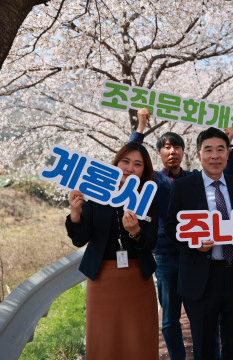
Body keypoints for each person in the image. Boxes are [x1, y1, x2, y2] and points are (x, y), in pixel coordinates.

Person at [129, 109, 233, 359]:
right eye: (166, 147)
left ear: (185, 152)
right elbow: (128, 159)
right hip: (167, 258)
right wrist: (141, 126)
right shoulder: (152, 180)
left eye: (176, 146)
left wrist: (228, 144)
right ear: (158, 154)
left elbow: (223, 177)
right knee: (169, 319)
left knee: (209, 315)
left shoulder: (194, 180)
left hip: (199, 256)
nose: (172, 151)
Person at [165, 127, 233, 360]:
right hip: (200, 275)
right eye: (209, 150)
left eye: (220, 150)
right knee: (204, 342)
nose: (215, 156)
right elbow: (170, 228)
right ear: (198, 154)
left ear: (228, 153)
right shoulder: (183, 187)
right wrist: (193, 243)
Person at [65, 142, 159, 359]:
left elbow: (150, 242)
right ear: (116, 163)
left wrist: (135, 231)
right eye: (125, 161)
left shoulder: (148, 196)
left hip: (138, 277)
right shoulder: (96, 191)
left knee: (139, 340)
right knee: (104, 340)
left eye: (137, 164)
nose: (130, 168)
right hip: (102, 277)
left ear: (144, 170)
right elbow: (80, 239)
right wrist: (75, 212)